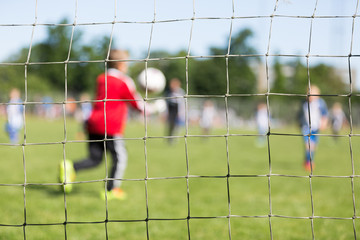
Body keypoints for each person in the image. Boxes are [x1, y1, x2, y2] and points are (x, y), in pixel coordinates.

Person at [59, 49, 146, 200]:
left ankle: (71, 167)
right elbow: (137, 105)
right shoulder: (123, 81)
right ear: (120, 64)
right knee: (120, 157)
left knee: (95, 159)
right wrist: (156, 106)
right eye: (126, 63)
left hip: (93, 122)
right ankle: (111, 190)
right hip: (110, 126)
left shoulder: (101, 78)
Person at [298, 85, 328, 172]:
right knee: (308, 145)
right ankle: (309, 162)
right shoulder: (304, 103)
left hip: (316, 127)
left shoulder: (320, 103)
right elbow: (300, 113)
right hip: (306, 127)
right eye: (309, 93)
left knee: (313, 147)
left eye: (313, 94)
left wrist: (324, 123)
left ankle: (308, 159)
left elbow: (324, 114)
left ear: (318, 95)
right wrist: (299, 122)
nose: (311, 95)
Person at [165, 78, 185, 144]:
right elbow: (167, 103)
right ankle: (170, 138)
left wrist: (181, 112)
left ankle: (175, 137)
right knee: (171, 124)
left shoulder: (181, 92)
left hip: (178, 109)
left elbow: (182, 103)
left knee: (178, 125)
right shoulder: (169, 92)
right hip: (171, 109)